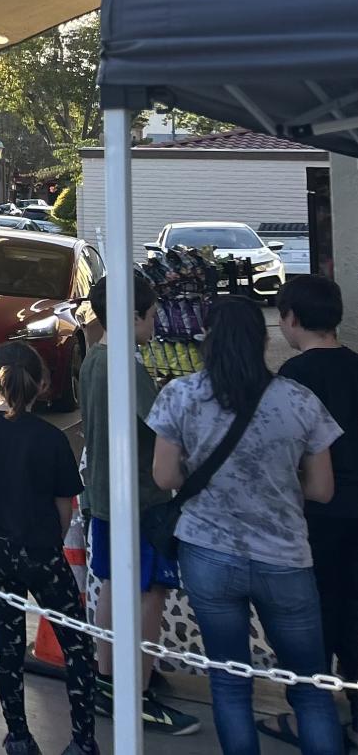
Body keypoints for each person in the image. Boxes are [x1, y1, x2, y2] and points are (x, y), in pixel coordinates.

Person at [149, 296, 343, 755]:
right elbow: (322, 490)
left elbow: (164, 477)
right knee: (311, 687)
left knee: (230, 681)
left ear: (206, 340)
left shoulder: (179, 395)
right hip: (285, 557)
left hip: (207, 553)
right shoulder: (299, 400)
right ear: (264, 338)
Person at [0, 341, 97, 755]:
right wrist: (52, 538)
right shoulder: (51, 438)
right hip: (43, 552)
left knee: (7, 646)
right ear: (41, 384)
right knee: (76, 643)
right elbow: (66, 506)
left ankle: (19, 736)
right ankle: (82, 739)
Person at [78, 273, 201, 735]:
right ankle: (140, 690)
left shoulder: (93, 359)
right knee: (150, 593)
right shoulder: (125, 367)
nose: (156, 322)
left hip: (104, 496)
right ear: (133, 315)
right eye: (151, 314)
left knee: (111, 584)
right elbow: (163, 427)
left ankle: (108, 679)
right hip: (140, 500)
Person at [276, 275, 358, 749]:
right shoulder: (356, 366)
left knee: (312, 614)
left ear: (290, 319)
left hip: (315, 511)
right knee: (353, 605)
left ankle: (312, 715)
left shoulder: (293, 378)